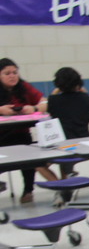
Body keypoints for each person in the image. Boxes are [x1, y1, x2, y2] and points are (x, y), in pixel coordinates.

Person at [0, 57, 48, 203]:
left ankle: (28, 190)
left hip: (21, 134)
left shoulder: (24, 87)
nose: (12, 76)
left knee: (29, 161)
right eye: (7, 73)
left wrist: (33, 108)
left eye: (15, 72)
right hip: (1, 137)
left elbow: (45, 102)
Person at [45, 67, 89, 196]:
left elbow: (50, 109)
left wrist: (56, 91)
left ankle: (61, 186)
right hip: (83, 144)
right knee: (65, 159)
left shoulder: (53, 100)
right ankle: (65, 183)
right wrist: (83, 91)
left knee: (37, 164)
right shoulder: (85, 98)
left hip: (62, 145)